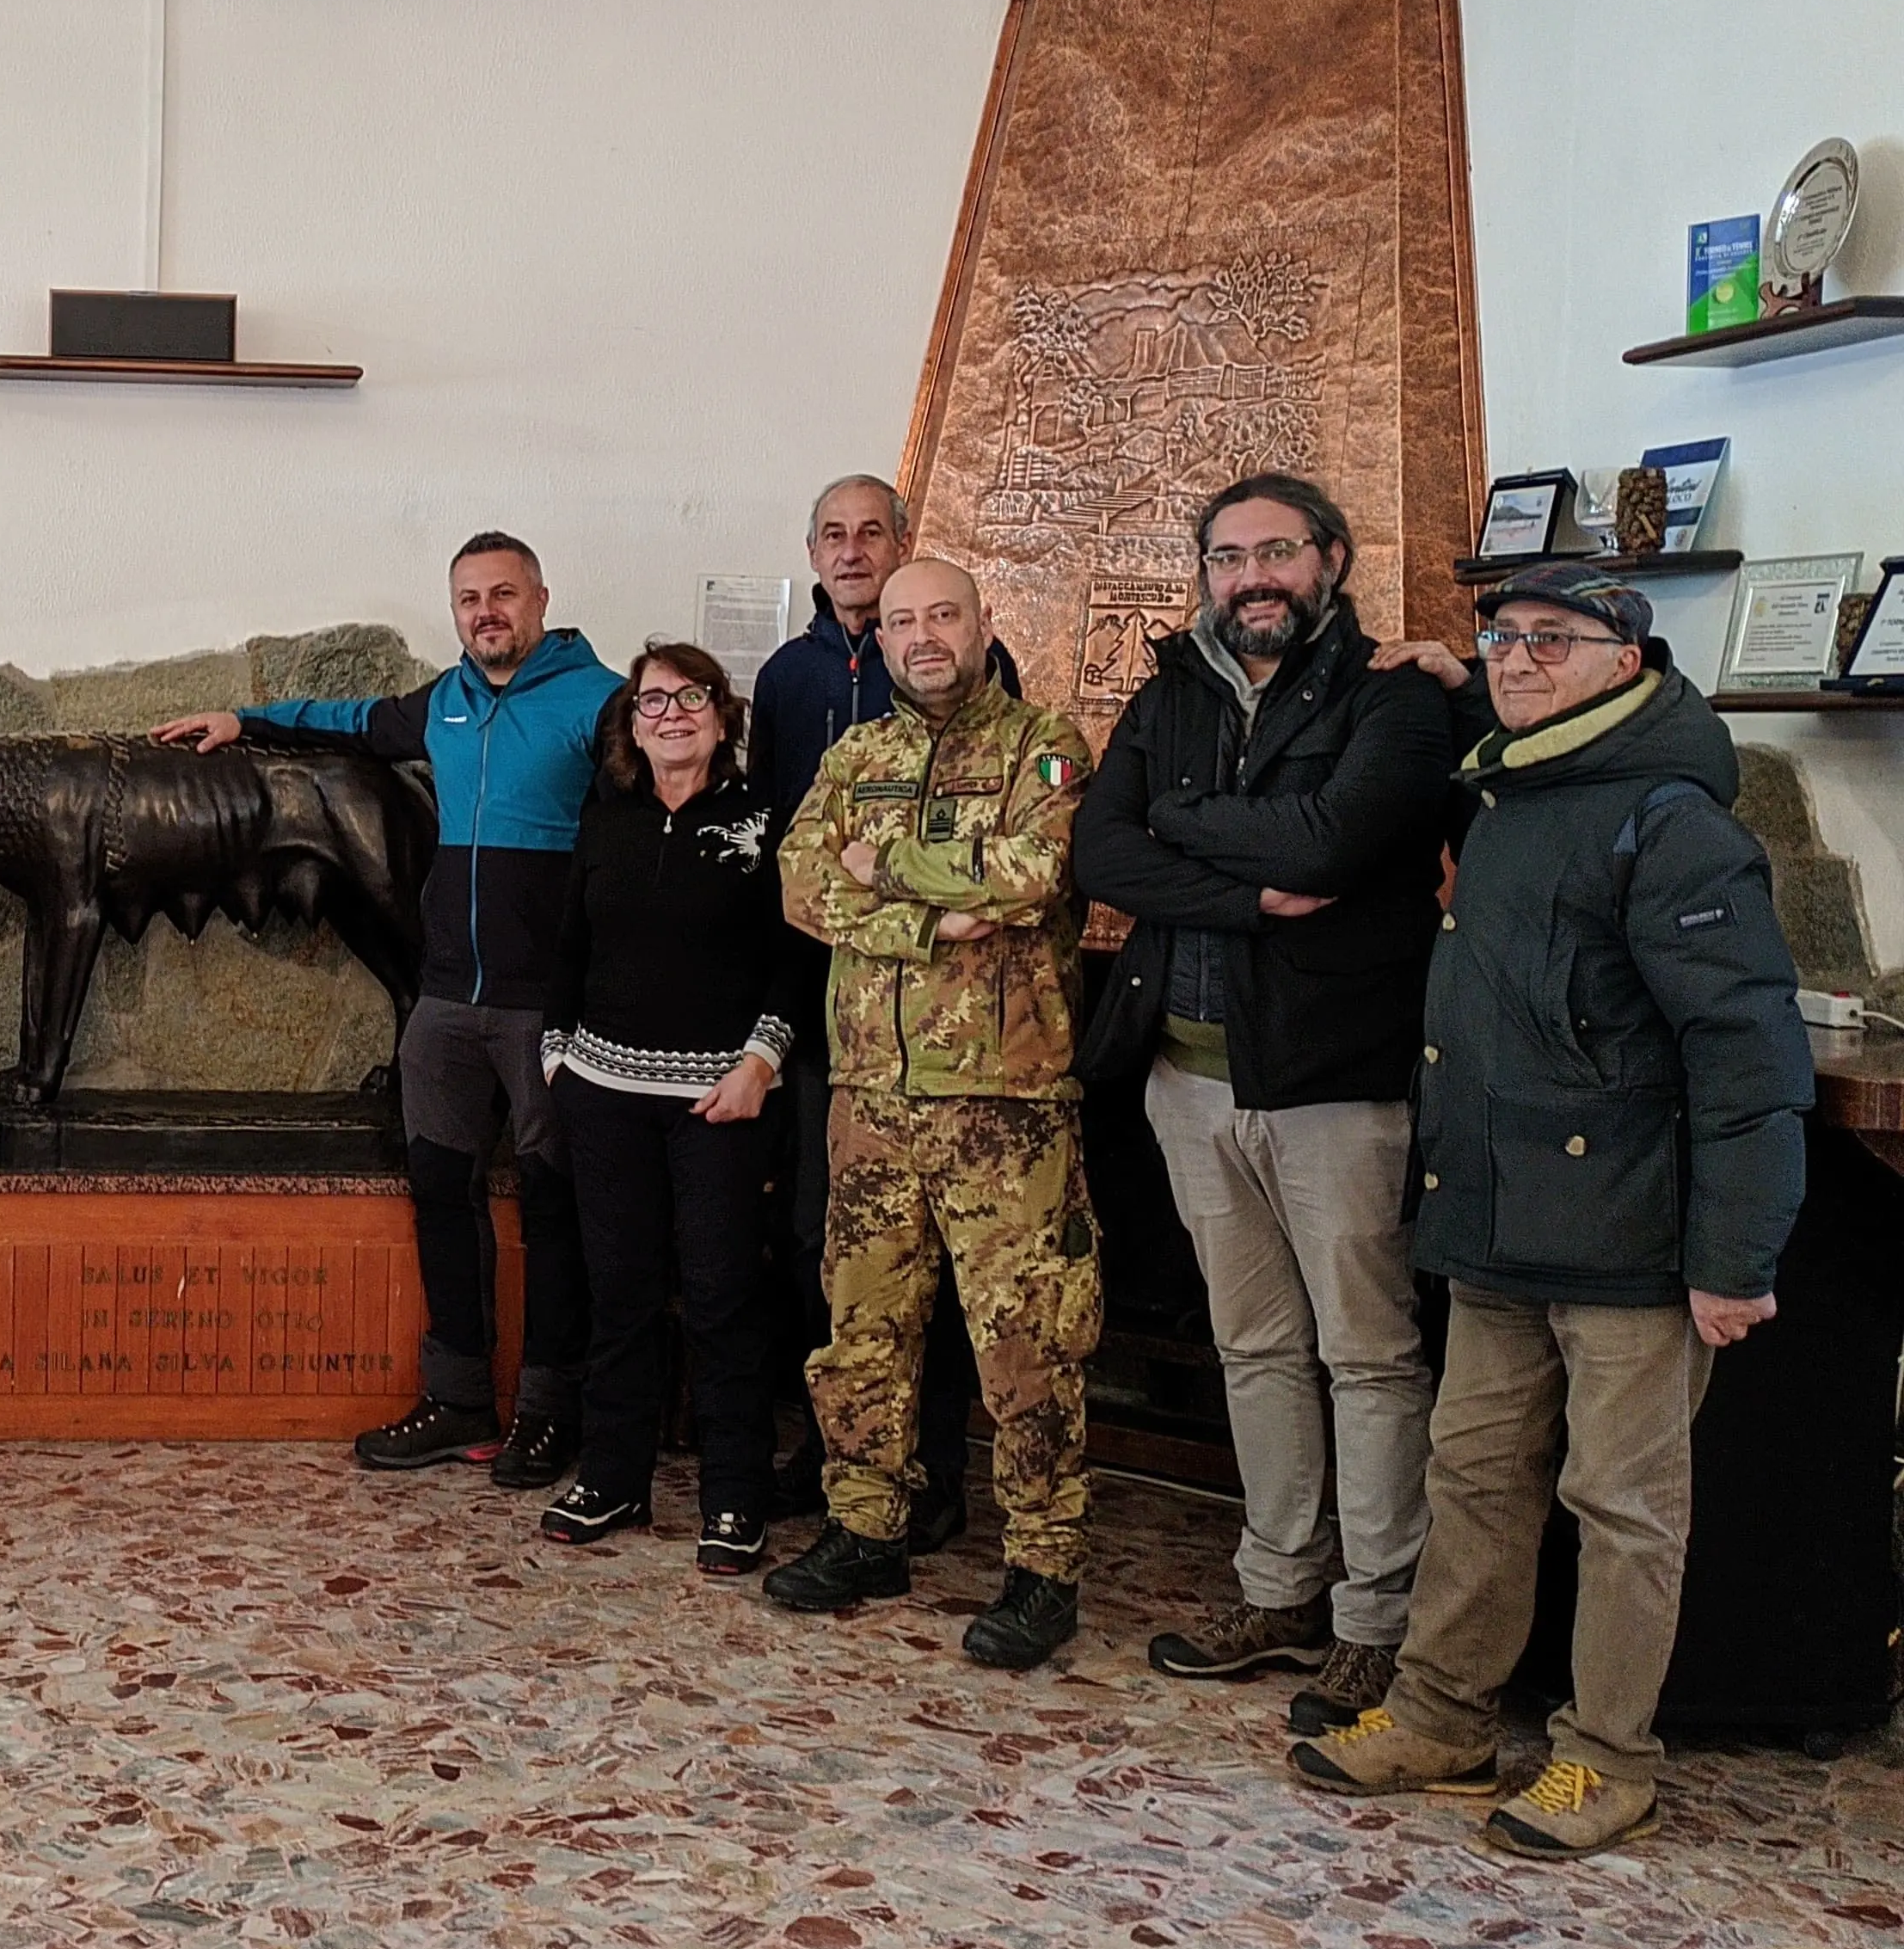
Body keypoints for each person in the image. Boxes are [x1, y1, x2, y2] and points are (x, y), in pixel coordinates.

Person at [1292, 563, 1810, 1858]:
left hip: (1631, 1242)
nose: (1521, 660)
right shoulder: (1515, 785)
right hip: (1494, 1223)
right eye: (1505, 637)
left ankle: (1608, 1759)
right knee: (1471, 1480)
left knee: (1625, 1511)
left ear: (1626, 662)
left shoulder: (1672, 818)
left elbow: (1747, 1055)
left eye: (1555, 641)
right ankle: (1442, 1714)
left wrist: (1737, 1257)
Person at [1072, 473, 1453, 1734]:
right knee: (1255, 1348)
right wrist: (1239, 881)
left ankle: (1376, 1621)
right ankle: (1279, 1586)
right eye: (1229, 556)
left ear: (1331, 559)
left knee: (1371, 1355)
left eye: (1277, 551)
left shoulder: (1396, 696)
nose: (1253, 577)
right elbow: (1099, 850)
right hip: (1185, 1079)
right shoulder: (1172, 688)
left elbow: (1332, 846)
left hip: (1333, 1087)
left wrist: (1185, 823)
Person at [154, 532, 622, 1487]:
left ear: (540, 598)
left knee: (552, 1209)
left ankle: (549, 1410)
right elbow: (351, 722)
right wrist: (245, 720)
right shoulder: (442, 701)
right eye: (467, 600)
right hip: (447, 1002)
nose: (485, 612)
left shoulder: (602, 701)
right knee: (441, 1198)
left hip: (547, 1010)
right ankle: (459, 1402)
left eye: (502, 594)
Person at [768, 558, 1101, 1669]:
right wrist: (926, 920)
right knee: (860, 1329)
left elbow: (1031, 874)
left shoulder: (1045, 744)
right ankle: (866, 1526)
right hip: (870, 1095)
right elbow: (803, 884)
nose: (921, 636)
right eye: (902, 620)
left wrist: (892, 863)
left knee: (1027, 1343)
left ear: (983, 623)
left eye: (941, 616)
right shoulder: (856, 752)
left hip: (1004, 1108)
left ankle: (1043, 1566)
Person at [751, 472, 1021, 1543]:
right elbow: (797, 864)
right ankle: (836, 1455)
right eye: (833, 535)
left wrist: (883, 876)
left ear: (907, 543)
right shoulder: (786, 675)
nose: (853, 551)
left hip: (962, 1037)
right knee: (844, 1251)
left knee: (947, 1264)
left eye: (872, 533)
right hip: (839, 1020)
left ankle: (934, 1473)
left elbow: (1000, 864)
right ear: (812, 553)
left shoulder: (977, 675)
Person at [536, 643, 792, 1572]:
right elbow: (569, 948)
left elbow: (791, 961)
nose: (671, 714)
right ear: (631, 726)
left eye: (691, 698)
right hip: (604, 1097)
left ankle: (733, 1495)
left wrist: (760, 1061)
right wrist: (558, 1058)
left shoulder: (763, 822)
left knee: (724, 1296)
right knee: (620, 1293)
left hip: (719, 1100)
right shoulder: (607, 821)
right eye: (653, 702)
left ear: (722, 718)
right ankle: (613, 1476)